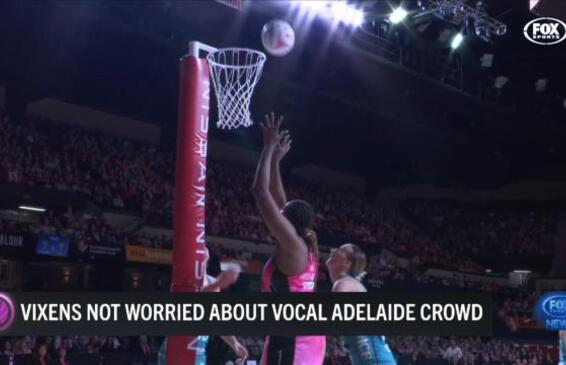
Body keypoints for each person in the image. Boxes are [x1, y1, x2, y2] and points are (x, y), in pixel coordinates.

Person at [252, 113, 325, 365]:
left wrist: (268, 147)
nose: (279, 212)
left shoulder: (294, 245)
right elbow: (279, 198)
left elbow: (261, 192)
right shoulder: (300, 241)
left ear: (287, 221)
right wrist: (275, 162)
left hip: (293, 340)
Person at [157, 247, 248, 365]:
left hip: (198, 350)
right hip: (175, 350)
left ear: (207, 259)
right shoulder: (183, 280)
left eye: (203, 256)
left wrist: (234, 343)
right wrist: (219, 283)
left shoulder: (212, 282)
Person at [326, 243, 397, 365]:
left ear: (348, 263)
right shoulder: (351, 285)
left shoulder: (344, 284)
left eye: (341, 250)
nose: (334, 250)